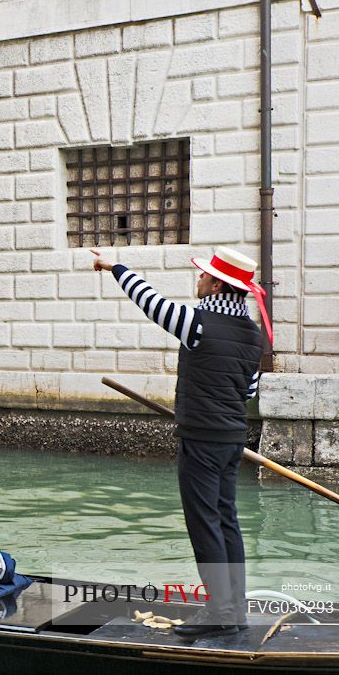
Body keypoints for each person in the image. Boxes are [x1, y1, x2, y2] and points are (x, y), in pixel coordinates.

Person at [92, 246, 270, 641]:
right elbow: (247, 391)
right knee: (227, 520)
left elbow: (149, 301)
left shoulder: (199, 322)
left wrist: (115, 266)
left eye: (204, 276)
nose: (199, 279)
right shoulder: (252, 335)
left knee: (204, 523)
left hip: (202, 441)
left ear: (219, 283)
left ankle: (220, 612)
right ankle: (233, 608)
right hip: (230, 439)